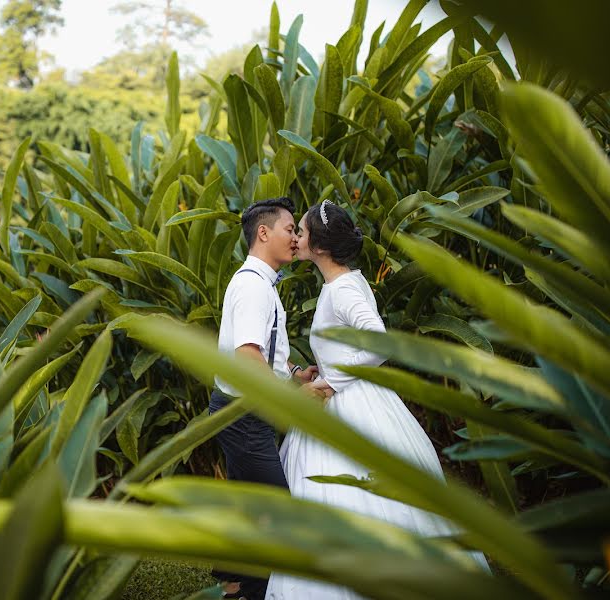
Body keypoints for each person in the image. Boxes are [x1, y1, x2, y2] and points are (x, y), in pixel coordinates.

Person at [265, 200, 490, 599]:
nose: (295, 239)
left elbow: (380, 341)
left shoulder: (341, 289)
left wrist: (333, 380)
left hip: (352, 403)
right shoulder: (344, 283)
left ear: (319, 246)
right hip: (350, 397)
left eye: (300, 232)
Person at [210, 197, 318, 600]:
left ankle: (233, 584)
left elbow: (267, 357)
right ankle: (252, 590)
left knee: (249, 503)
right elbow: (248, 356)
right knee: (276, 508)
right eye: (291, 229)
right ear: (263, 232)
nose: (296, 238)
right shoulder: (254, 288)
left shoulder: (259, 284)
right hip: (242, 414)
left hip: (239, 410)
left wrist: (293, 375)